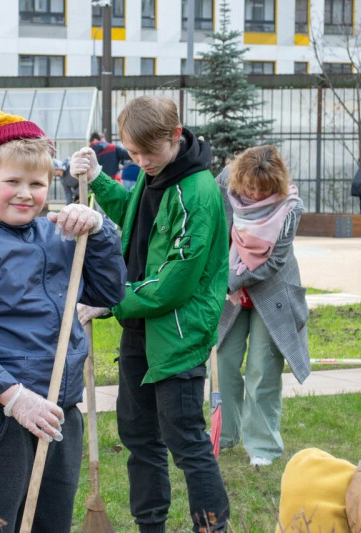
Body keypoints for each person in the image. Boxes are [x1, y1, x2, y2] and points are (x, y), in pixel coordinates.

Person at [0, 93, 126, 533]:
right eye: (12, 182)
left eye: (37, 184)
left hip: (58, 411)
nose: (25, 194)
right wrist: (13, 397)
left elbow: (109, 292)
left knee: (50, 523)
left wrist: (101, 232)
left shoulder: (55, 235)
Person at [72, 95, 230, 533]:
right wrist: (100, 179)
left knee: (186, 441)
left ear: (176, 136)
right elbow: (134, 218)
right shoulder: (153, 175)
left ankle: (212, 526)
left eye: (149, 152)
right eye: (133, 152)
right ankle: (150, 526)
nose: (141, 161)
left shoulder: (197, 192)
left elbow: (175, 281)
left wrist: (112, 299)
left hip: (177, 336)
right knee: (139, 437)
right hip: (140, 331)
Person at [216, 145, 309, 467]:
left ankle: (263, 446)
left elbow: (274, 263)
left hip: (272, 292)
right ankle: (224, 435)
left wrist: (232, 281)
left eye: (264, 190)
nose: (255, 195)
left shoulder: (290, 208)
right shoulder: (225, 185)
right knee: (224, 360)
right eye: (250, 187)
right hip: (230, 283)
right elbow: (216, 232)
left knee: (262, 368)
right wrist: (223, 279)